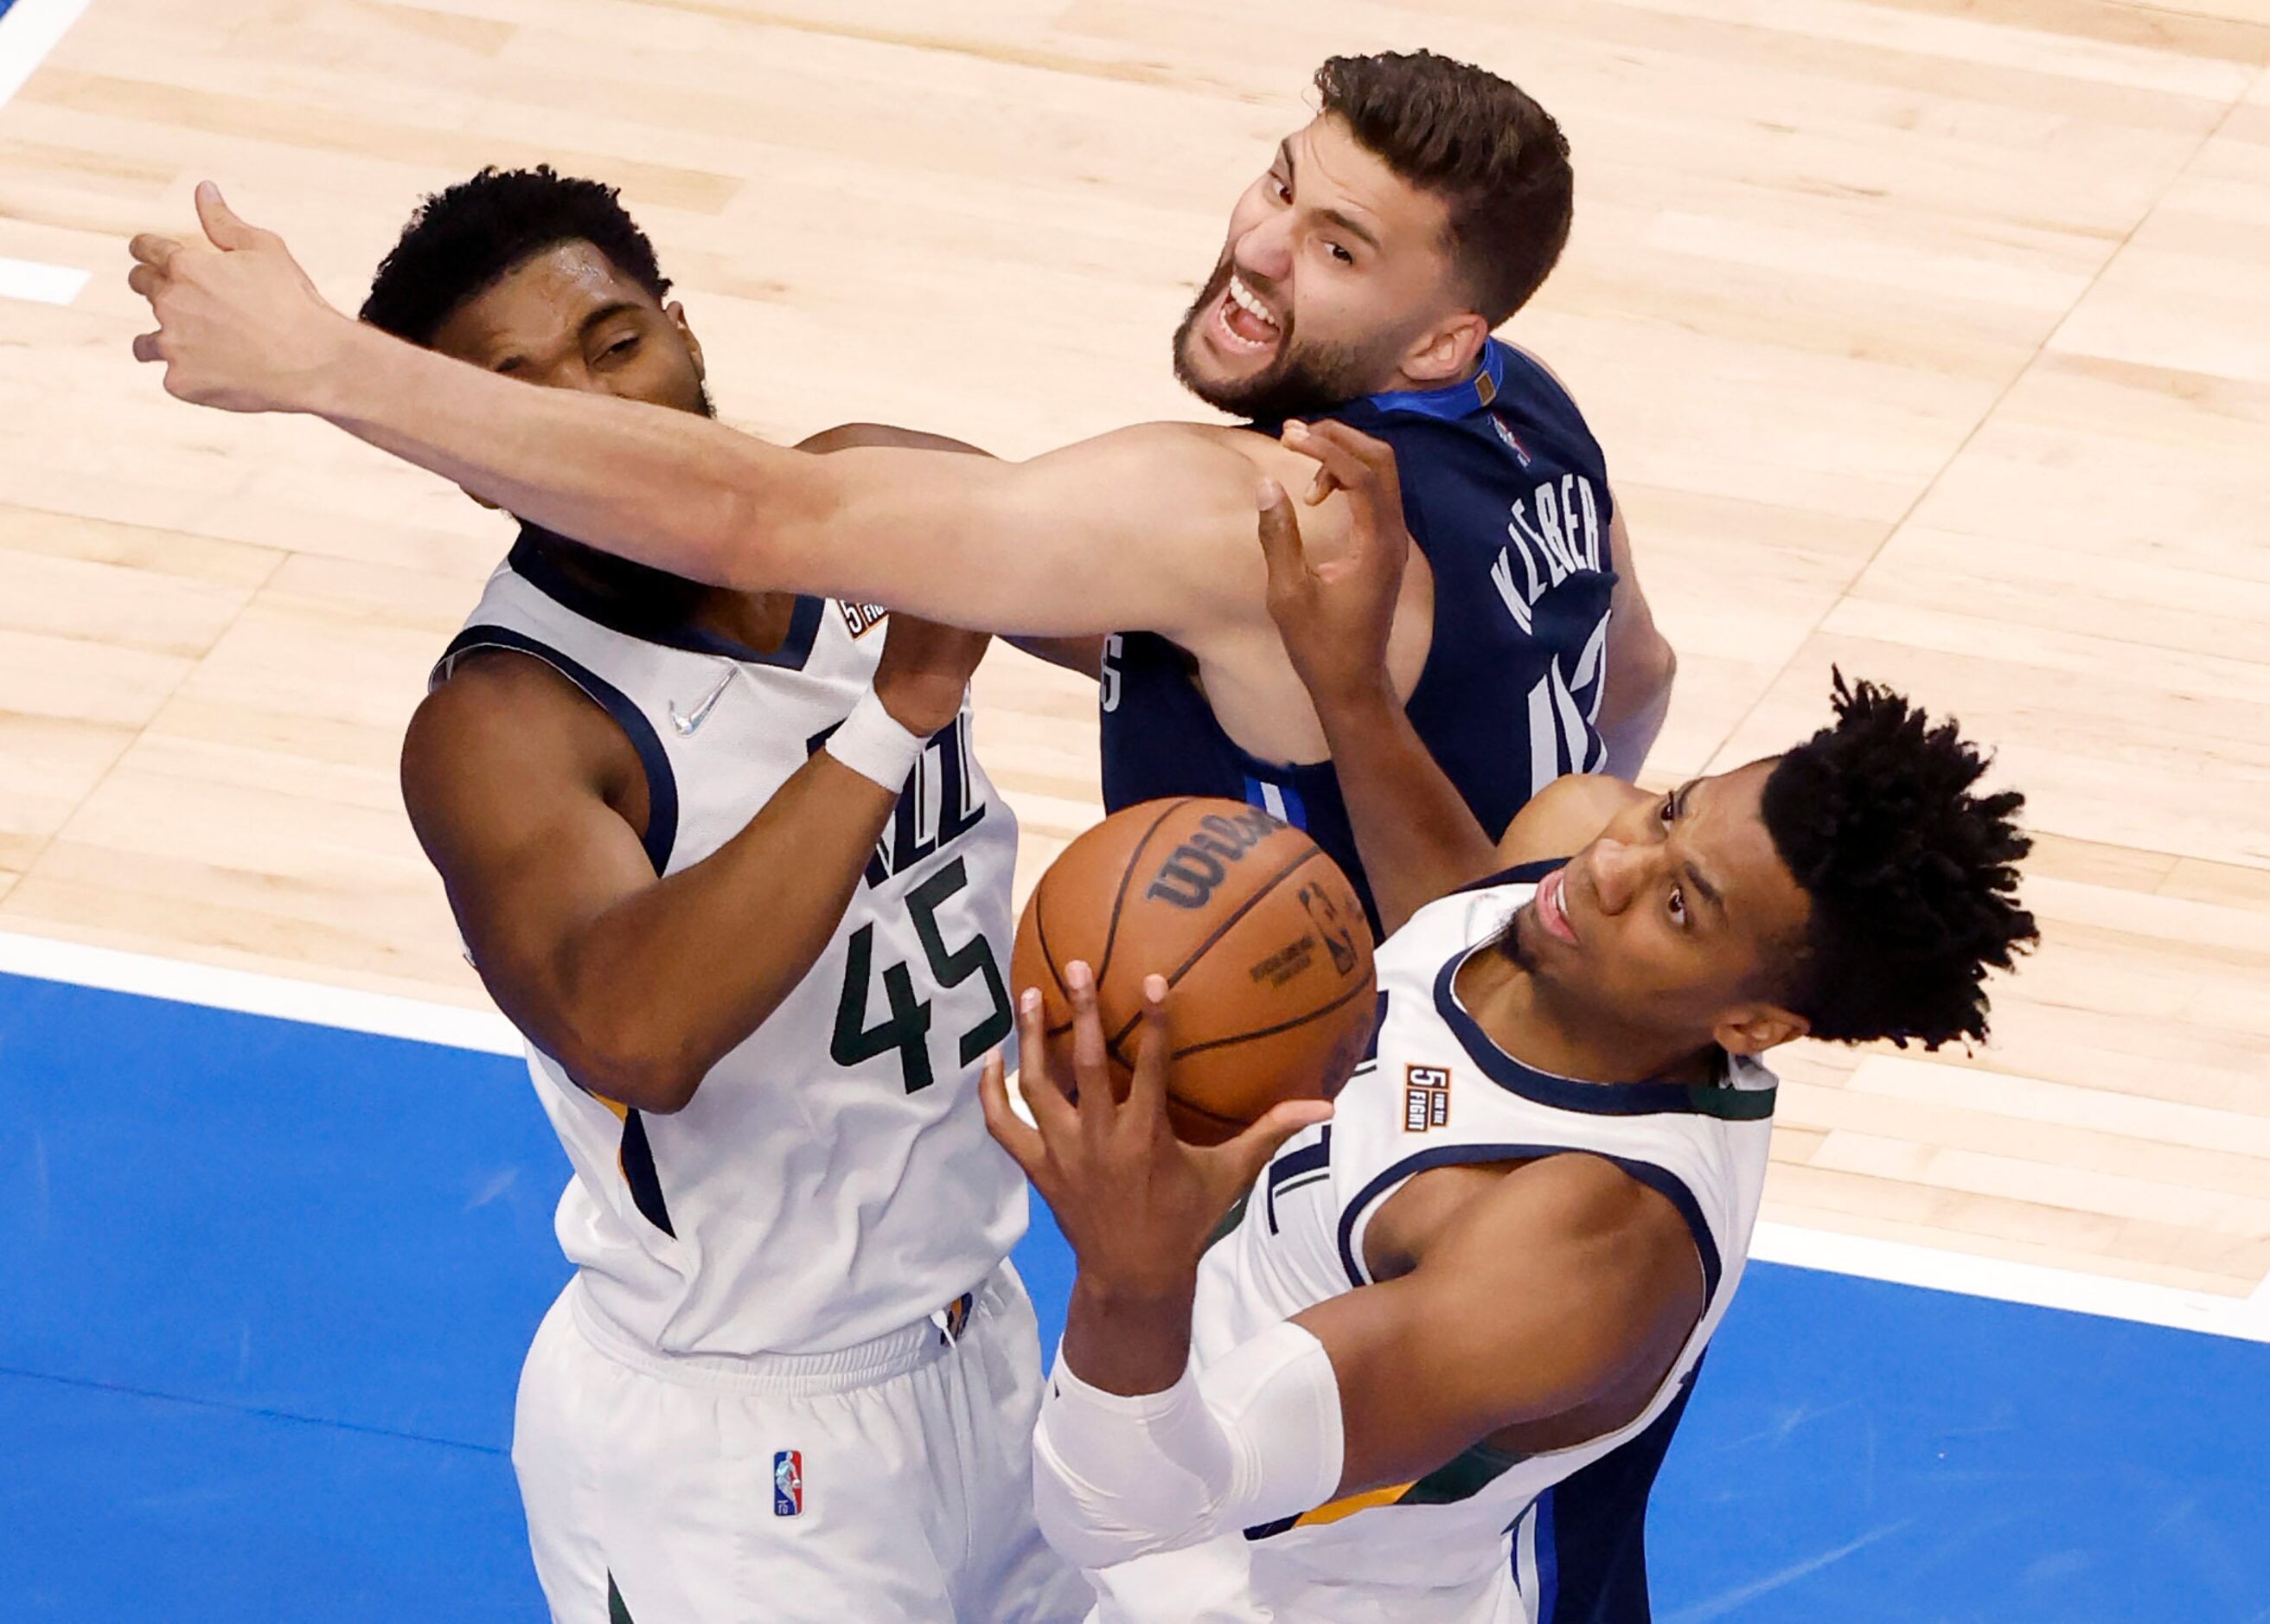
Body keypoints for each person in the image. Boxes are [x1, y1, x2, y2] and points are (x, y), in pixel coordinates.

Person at [125, 49, 1678, 934]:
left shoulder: (1237, 510)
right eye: (1280, 180)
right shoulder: (1524, 413)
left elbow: (759, 520)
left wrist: (325, 367)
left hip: (1317, 1177)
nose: (1262, 249)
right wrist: (1505, 907)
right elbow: (1637, 673)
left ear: (1441, 321)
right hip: (1507, 1114)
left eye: (1337, 246)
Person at [977, 437, 2038, 1622]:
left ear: (1750, 1022)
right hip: (1150, 1466)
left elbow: (1130, 1511)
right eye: (1673, 808)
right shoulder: (1576, 863)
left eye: (1681, 903)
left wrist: (1132, 1268)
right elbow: (1452, 925)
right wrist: (1349, 685)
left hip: (1255, 1577)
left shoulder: (1567, 1249)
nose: (1614, 862)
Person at [375, 167, 1086, 1624]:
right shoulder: (508, 719)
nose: (598, 403)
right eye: (521, 389)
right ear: (469, 451)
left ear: (684, 331)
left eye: (616, 340)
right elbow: (635, 1032)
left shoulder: (867, 495)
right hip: (736, 1448)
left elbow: (1155, 613)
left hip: (992, 1343)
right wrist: (892, 721)